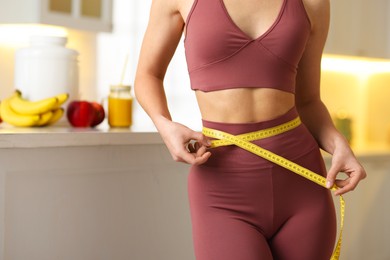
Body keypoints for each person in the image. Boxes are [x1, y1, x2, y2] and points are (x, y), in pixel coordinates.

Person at [134, 0, 367, 259]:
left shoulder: (314, 3)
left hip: (302, 181)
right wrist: (165, 125)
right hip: (223, 190)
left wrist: (338, 145)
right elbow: (147, 75)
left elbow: (308, 101)